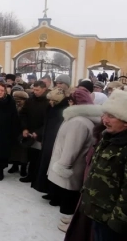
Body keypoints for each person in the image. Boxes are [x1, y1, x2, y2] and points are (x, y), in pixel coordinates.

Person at [47, 88, 102, 232]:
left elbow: (72, 147)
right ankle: (70, 218)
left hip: (71, 168)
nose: (68, 104)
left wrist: (63, 165)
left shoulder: (78, 122)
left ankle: (71, 222)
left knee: (70, 195)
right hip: (76, 167)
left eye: (70, 101)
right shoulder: (81, 119)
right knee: (71, 195)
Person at [80, 90, 127, 240]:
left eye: (111, 116)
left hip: (113, 221)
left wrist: (116, 223)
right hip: (98, 212)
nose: (104, 120)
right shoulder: (108, 137)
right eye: (104, 114)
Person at [32, 88, 69, 198]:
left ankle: (54, 193)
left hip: (55, 143)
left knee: (52, 167)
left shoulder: (62, 110)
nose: (50, 102)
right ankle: (48, 189)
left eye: (52, 100)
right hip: (48, 141)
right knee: (46, 166)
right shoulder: (51, 108)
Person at [19, 80, 49, 183]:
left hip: (42, 135)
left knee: (40, 158)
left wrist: (39, 132)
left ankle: (39, 178)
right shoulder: (30, 100)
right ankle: (30, 176)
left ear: (44, 89)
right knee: (31, 156)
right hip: (30, 133)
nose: (35, 92)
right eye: (34, 89)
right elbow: (23, 115)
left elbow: (50, 121)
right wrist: (25, 128)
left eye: (37, 90)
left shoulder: (49, 102)